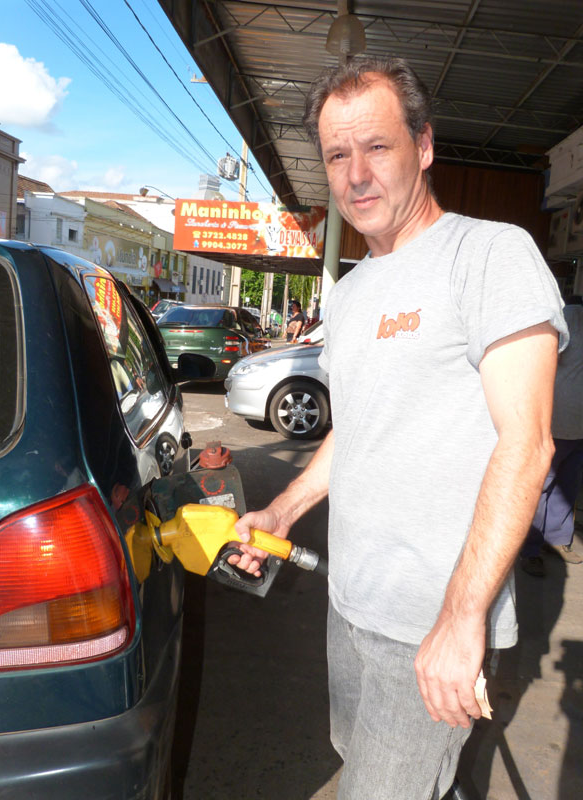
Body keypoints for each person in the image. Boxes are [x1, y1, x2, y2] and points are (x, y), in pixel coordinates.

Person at [229, 56, 568, 799]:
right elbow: (355, 431)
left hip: (429, 623)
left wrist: (460, 618)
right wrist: (280, 512)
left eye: (376, 147)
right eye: (338, 155)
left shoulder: (488, 255)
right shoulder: (351, 293)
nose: (355, 175)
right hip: (350, 607)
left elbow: (528, 441)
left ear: (424, 145)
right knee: (371, 769)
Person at [520, 295, 583, 577]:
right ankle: (530, 549)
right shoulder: (571, 316)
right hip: (555, 423)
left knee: (567, 487)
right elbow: (541, 357)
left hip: (579, 429)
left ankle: (556, 540)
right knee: (541, 487)